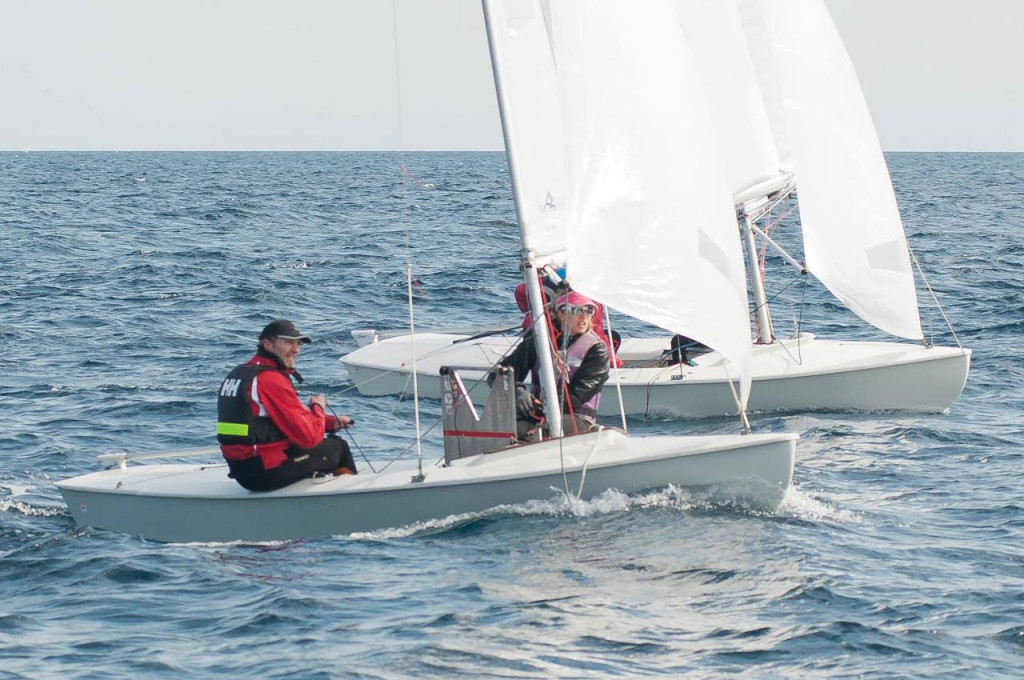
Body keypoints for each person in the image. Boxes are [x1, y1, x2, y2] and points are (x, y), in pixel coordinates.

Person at [217, 319, 357, 491]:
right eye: (289, 343)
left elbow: (269, 423)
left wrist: (328, 423)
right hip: (267, 471)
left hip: (242, 470)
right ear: (267, 344)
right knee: (338, 447)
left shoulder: (239, 373)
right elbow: (309, 438)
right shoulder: (270, 378)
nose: (296, 350)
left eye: (298, 344)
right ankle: (349, 504)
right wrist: (318, 407)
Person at [498, 291, 610, 439]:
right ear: (561, 313)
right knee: (503, 429)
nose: (584, 316)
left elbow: (576, 397)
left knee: (525, 432)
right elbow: (499, 374)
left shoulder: (597, 350)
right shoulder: (538, 342)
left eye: (589, 311)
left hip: (576, 416)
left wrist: (538, 408)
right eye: (577, 310)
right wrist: (517, 392)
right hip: (537, 412)